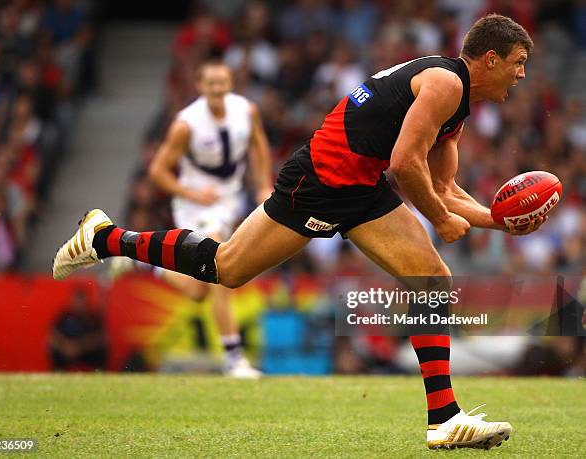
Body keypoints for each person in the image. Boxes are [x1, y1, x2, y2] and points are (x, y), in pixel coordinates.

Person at [53, 14, 543, 449]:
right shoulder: (445, 85)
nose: (522, 74)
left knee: (432, 278)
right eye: (518, 61)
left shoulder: (454, 100)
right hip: (320, 180)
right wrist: (438, 218)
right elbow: (405, 164)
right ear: (491, 58)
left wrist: (499, 221)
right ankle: (104, 237)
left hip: (360, 184)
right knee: (224, 269)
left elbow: (446, 187)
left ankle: (444, 418)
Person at [114, 61, 272, 378]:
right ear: (199, 86)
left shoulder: (245, 110)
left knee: (199, 291)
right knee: (222, 269)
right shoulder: (186, 124)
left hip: (229, 202)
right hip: (197, 208)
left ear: (231, 83)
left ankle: (147, 262)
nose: (217, 88)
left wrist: (264, 184)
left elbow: (258, 144)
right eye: (211, 83)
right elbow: (157, 170)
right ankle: (233, 360)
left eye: (222, 81)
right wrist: (191, 193)